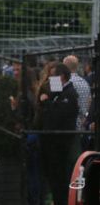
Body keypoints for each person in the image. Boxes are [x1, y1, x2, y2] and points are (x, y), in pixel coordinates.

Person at [39, 63, 79, 205]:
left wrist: (47, 102)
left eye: (53, 76)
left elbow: (58, 113)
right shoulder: (60, 91)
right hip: (53, 142)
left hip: (61, 143)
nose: (50, 79)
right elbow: (53, 97)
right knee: (54, 177)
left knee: (60, 177)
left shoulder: (69, 93)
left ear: (61, 76)